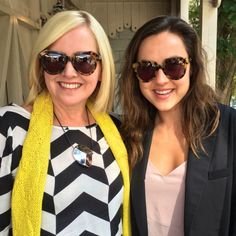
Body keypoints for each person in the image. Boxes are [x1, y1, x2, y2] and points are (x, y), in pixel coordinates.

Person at [0, 10, 130, 236]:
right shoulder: (11, 127)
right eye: (54, 60)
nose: (69, 72)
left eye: (85, 61)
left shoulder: (114, 130)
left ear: (101, 69)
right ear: (41, 66)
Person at [119, 15, 236, 236]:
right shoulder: (126, 134)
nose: (161, 79)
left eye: (173, 66)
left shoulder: (228, 128)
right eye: (147, 68)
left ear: (192, 66)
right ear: (135, 75)